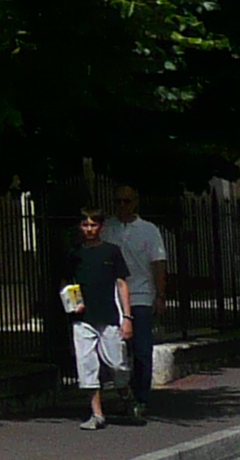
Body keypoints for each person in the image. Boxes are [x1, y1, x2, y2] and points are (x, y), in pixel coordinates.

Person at [68, 208, 136, 429]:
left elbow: (122, 284)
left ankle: (125, 394)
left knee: (117, 363)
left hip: (109, 316)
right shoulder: (75, 253)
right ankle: (97, 414)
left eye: (93, 225)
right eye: (85, 225)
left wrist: (127, 317)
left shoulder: (111, 252)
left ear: (101, 227)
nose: (89, 229)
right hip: (84, 319)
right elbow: (66, 282)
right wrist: (73, 302)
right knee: (87, 366)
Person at [105, 184, 171, 404]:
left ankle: (141, 396)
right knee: (115, 350)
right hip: (113, 298)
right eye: (118, 202)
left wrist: (160, 295)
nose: (122, 206)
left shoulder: (148, 230)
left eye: (127, 201)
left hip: (141, 295)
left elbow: (158, 262)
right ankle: (124, 392)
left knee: (142, 349)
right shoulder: (107, 228)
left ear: (136, 202)